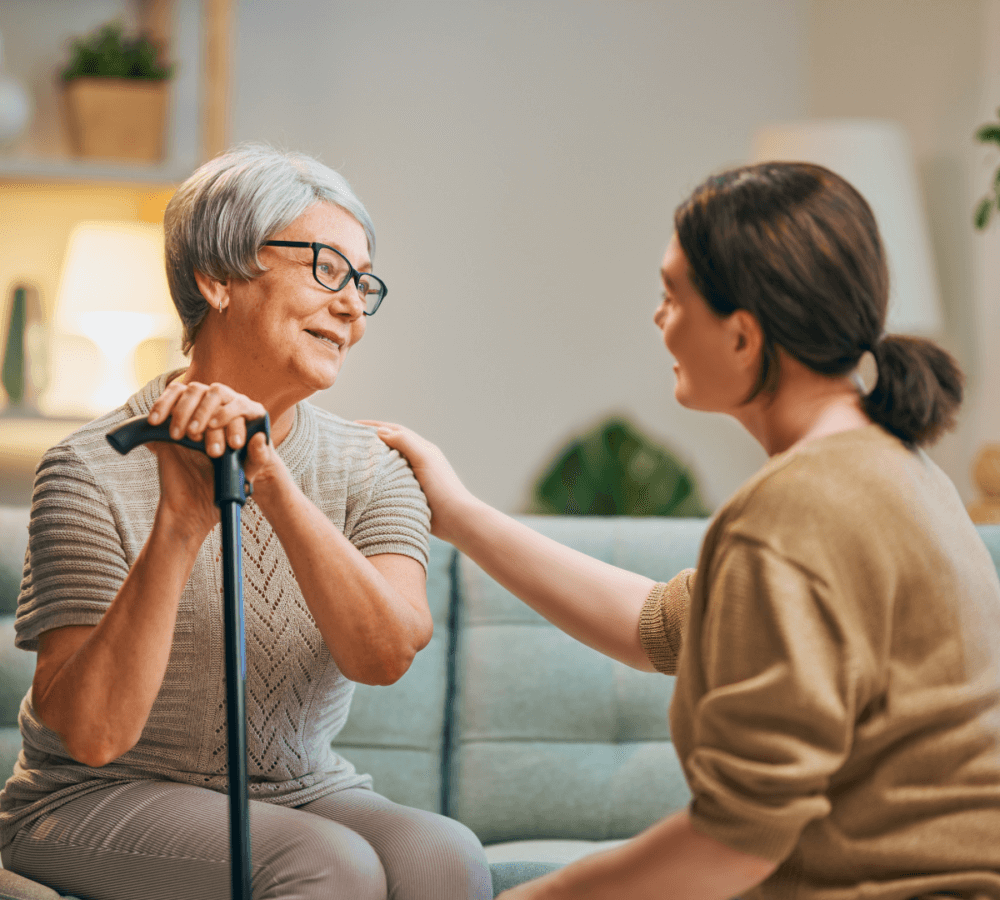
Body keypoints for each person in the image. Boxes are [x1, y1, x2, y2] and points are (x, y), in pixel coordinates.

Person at [364, 161, 1000, 899]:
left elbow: (736, 839)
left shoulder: (800, 508)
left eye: (673, 295)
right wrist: (462, 516)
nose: (659, 318)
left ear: (742, 335)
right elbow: (658, 625)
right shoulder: (897, 469)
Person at [0, 143, 492, 900]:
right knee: (328, 864)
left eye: (364, 283)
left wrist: (272, 478)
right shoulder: (88, 467)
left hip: (299, 788)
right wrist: (179, 522)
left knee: (445, 857)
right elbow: (94, 736)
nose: (353, 304)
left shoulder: (372, 466)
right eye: (327, 268)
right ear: (218, 277)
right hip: (93, 798)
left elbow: (385, 652)